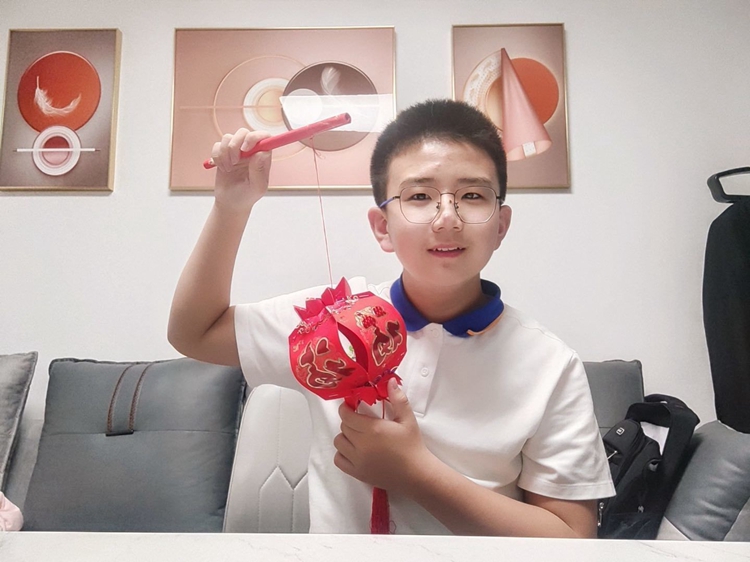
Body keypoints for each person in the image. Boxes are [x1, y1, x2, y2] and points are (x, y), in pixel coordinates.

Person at [168, 99, 614, 537]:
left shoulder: (550, 365)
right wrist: (231, 206)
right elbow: (194, 332)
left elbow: (574, 539)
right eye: (420, 196)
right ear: (382, 227)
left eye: (472, 196)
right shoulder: (330, 321)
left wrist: (415, 473)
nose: (447, 218)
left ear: (500, 225)